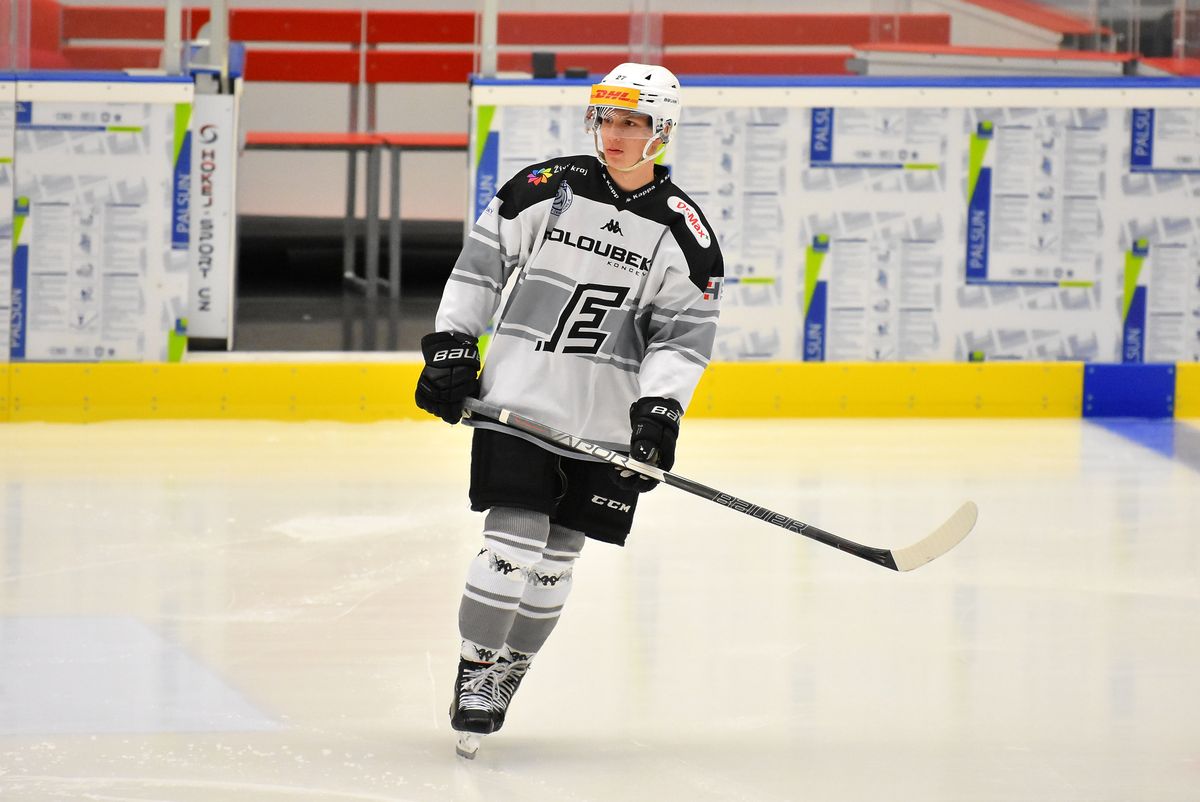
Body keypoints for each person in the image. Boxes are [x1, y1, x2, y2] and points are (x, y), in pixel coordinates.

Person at [414, 62, 724, 758]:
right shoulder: (546, 187)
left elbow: (682, 337)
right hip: (520, 399)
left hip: (603, 421)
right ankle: (475, 671)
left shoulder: (686, 234)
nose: (614, 134)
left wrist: (660, 411)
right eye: (608, 119)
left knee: (556, 559)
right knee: (513, 539)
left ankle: (507, 671)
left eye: (633, 122)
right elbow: (480, 266)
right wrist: (453, 346)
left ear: (662, 131)